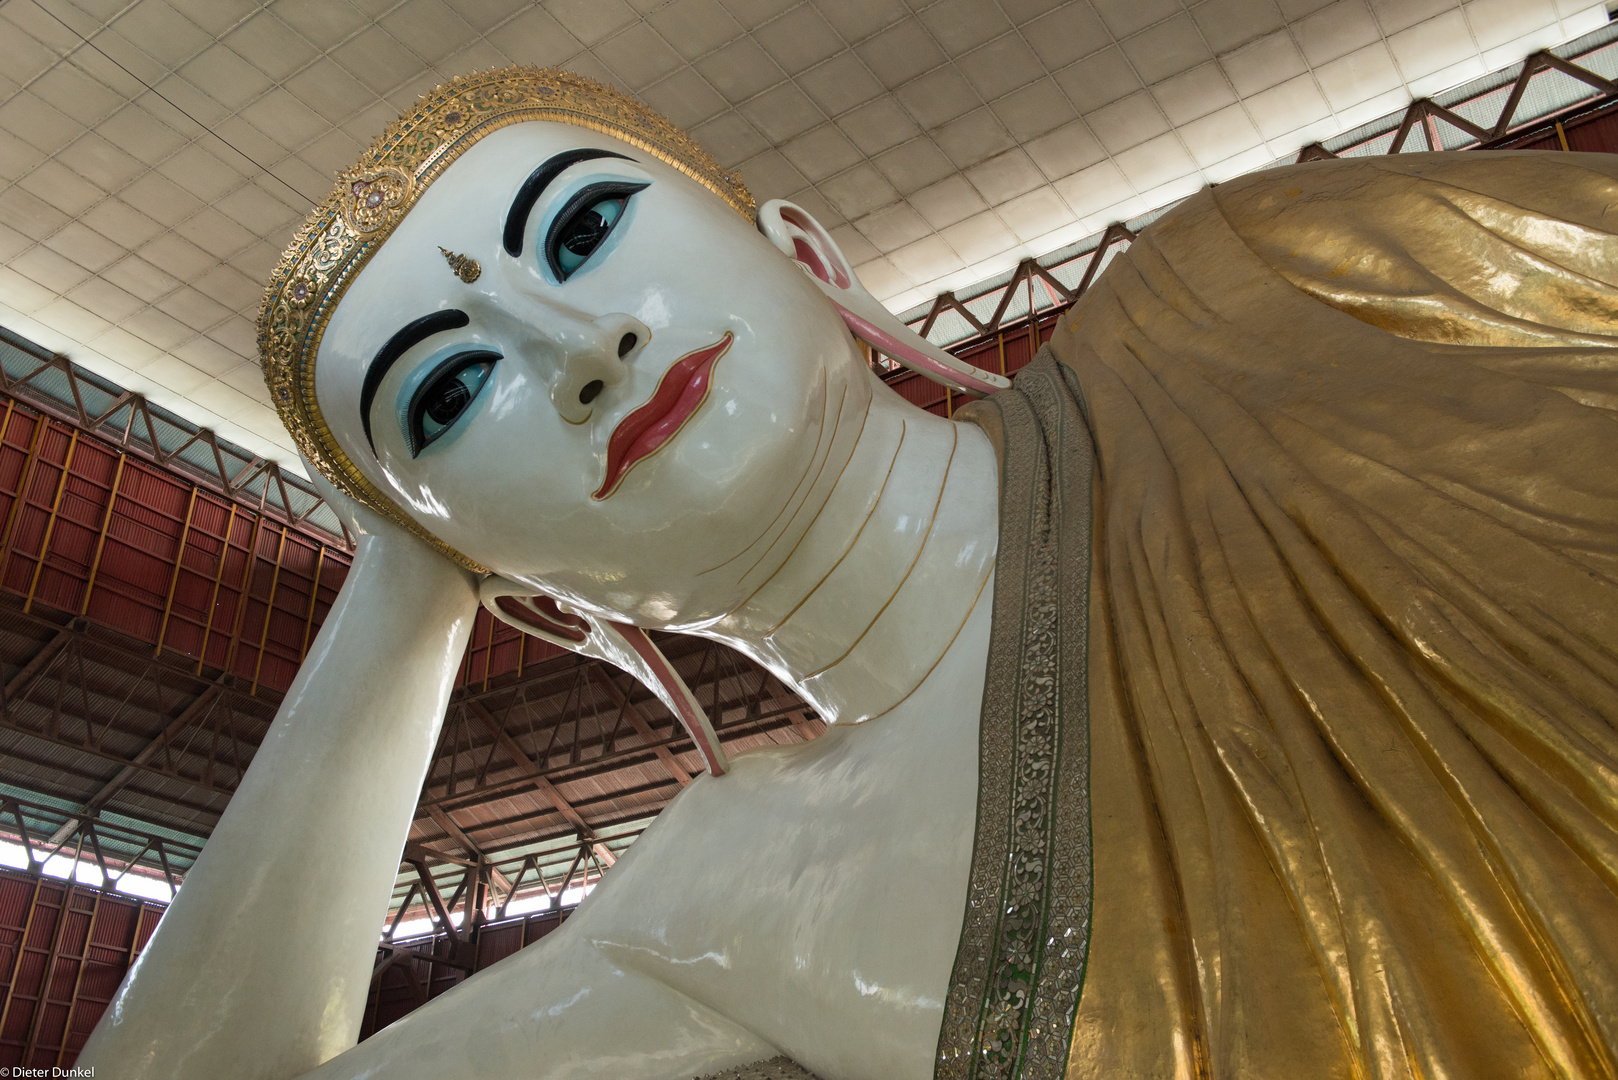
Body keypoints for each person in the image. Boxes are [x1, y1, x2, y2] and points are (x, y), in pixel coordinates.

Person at [78, 67, 1618, 1080]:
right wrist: (402, 599)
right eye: (444, 393)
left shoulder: (1257, 290)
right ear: (526, 590)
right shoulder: (723, 903)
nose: (578, 347)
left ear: (808, 256)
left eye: (590, 225)